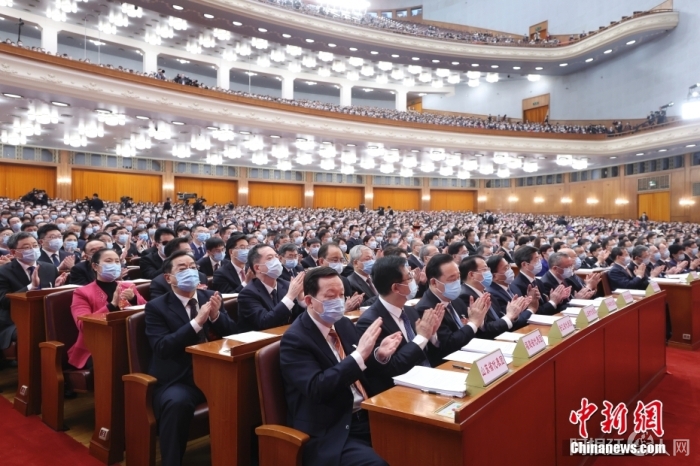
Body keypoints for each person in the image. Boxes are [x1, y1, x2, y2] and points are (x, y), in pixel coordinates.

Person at [280, 267, 398, 466]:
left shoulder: (342, 323)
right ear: (309, 301)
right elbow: (317, 388)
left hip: (368, 413)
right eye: (330, 296)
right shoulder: (295, 339)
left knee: (424, 438)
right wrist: (359, 355)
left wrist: (378, 354)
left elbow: (362, 366)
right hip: (333, 427)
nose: (338, 301)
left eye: (341, 294)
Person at [145, 250, 239, 466]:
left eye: (193, 267)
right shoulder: (156, 307)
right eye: (182, 268)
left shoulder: (211, 296)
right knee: (176, 403)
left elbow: (233, 334)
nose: (190, 271)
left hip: (216, 370)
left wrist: (215, 316)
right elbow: (162, 347)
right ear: (169, 278)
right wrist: (196, 322)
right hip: (179, 377)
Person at [355, 256, 444, 395]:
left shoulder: (409, 310)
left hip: (427, 379)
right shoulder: (370, 322)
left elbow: (424, 353)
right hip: (398, 391)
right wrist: (422, 337)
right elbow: (393, 368)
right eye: (409, 277)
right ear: (396, 287)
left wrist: (431, 335)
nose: (414, 280)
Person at [68, 248, 147, 369]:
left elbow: (148, 311)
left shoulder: (128, 286)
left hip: (128, 340)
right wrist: (111, 305)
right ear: (95, 266)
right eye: (109, 261)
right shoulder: (82, 292)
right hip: (95, 345)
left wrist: (134, 299)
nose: (114, 265)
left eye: (117, 261)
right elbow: (83, 325)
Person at [415, 254, 488, 364]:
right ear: (434, 282)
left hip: (470, 353)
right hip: (448, 363)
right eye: (452, 279)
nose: (457, 282)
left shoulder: (455, 299)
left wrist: (476, 319)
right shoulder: (426, 308)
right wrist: (473, 323)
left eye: (458, 277)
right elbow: (448, 344)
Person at [0, 232, 67, 352]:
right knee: (36, 330)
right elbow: (4, 302)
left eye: (35, 245)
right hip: (14, 322)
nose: (33, 249)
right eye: (26, 247)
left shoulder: (49, 268)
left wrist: (55, 289)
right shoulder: (3, 272)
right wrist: (31, 287)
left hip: (45, 316)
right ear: (13, 252)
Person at [458, 256, 530, 339]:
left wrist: (514, 314)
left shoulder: (485, 292)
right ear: (471, 274)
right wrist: (509, 316)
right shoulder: (465, 296)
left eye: (488, 269)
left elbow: (499, 318)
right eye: (485, 270)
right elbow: (485, 329)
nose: (489, 273)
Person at [237, 244, 306, 331]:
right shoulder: (247, 294)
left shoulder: (286, 285)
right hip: (261, 341)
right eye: (270, 258)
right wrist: (290, 296)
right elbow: (265, 322)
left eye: (276, 257)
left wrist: (301, 301)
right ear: (257, 268)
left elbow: (297, 318)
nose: (276, 261)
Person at [510, 246, 570, 316]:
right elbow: (532, 313)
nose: (540, 262)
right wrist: (553, 302)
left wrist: (559, 299)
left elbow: (545, 307)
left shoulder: (538, 281)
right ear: (524, 264)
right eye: (536, 259)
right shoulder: (517, 285)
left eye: (539, 258)